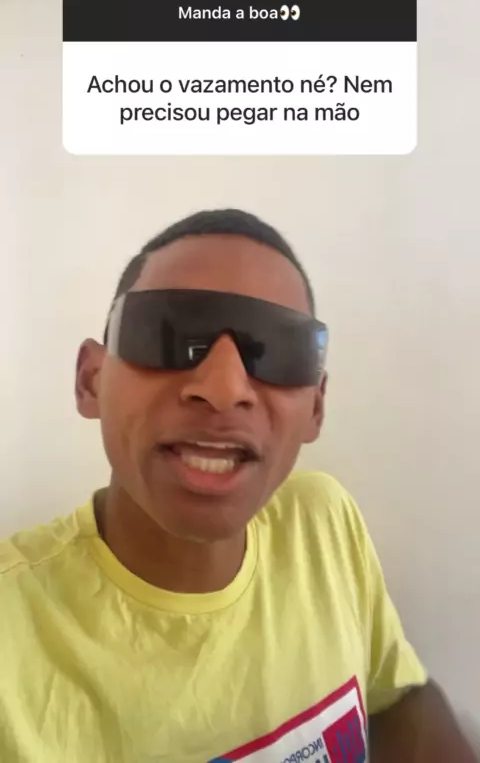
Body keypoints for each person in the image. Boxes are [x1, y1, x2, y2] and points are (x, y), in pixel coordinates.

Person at [0, 209, 476, 763]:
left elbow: (396, 692)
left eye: (277, 351)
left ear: (316, 408)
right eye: (168, 333)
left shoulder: (324, 521)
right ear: (91, 381)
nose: (225, 389)